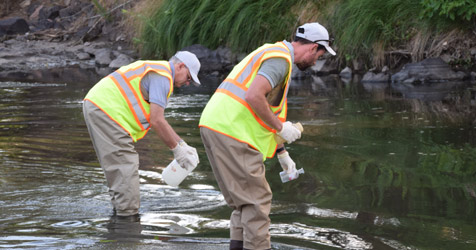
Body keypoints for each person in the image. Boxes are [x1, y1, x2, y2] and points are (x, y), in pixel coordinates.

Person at [199, 22, 336, 250]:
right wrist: (282, 129)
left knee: (243, 204)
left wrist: (282, 153)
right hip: (233, 131)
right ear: (313, 48)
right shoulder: (280, 60)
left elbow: (265, 111)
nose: (315, 62)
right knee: (257, 202)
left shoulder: (270, 51)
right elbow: (254, 96)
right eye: (319, 55)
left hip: (216, 126)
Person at [83, 51, 201, 218]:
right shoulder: (162, 76)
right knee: (125, 166)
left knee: (120, 173)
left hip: (100, 108)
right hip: (107, 111)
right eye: (189, 77)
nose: (188, 83)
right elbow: (157, 121)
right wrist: (177, 150)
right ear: (180, 66)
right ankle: (128, 230)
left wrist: (182, 144)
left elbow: (159, 120)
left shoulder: (159, 72)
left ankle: (121, 218)